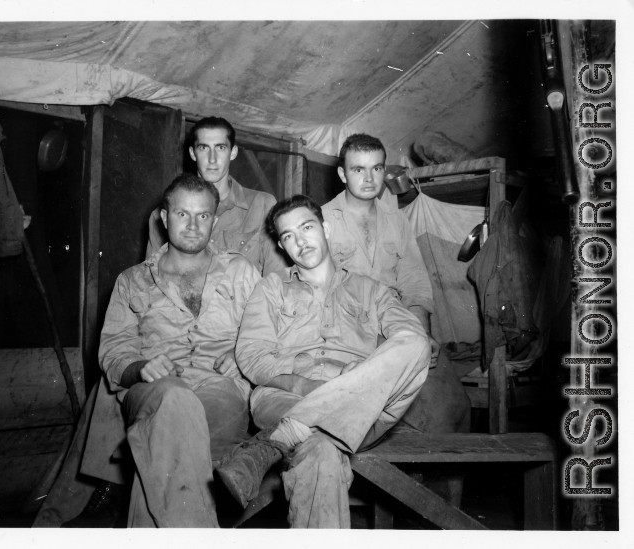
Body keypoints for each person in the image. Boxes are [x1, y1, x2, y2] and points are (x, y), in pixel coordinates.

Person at [216, 195, 431, 528]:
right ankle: (295, 428)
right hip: (285, 397)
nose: (300, 241)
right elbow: (253, 356)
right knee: (321, 451)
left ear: (325, 228)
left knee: (417, 342)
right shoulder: (271, 288)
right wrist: (307, 384)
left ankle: (281, 437)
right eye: (288, 236)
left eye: (306, 227)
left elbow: (410, 339)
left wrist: (359, 378)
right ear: (282, 247)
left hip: (364, 404)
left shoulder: (371, 290)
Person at [86, 174, 260, 527]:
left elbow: (273, 337)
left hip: (222, 393)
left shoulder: (241, 272)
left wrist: (246, 358)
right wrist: (140, 368)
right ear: (164, 218)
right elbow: (114, 350)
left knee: (158, 441)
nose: (193, 225)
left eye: (203, 216)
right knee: (171, 404)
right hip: (152, 391)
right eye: (183, 215)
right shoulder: (132, 280)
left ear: (215, 220)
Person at [322, 133, 470, 435]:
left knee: (452, 405)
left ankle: (442, 479)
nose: (368, 178)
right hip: (346, 333)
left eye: (376, 168)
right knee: (397, 417)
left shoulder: (396, 221)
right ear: (342, 174)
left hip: (396, 326)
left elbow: (414, 282)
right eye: (358, 169)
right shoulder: (322, 220)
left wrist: (422, 334)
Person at [145, 116, 287, 275]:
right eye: (204, 148)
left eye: (220, 148)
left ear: (233, 152)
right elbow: (152, 279)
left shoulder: (262, 205)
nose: (212, 159)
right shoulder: (163, 213)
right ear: (192, 153)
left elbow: (277, 279)